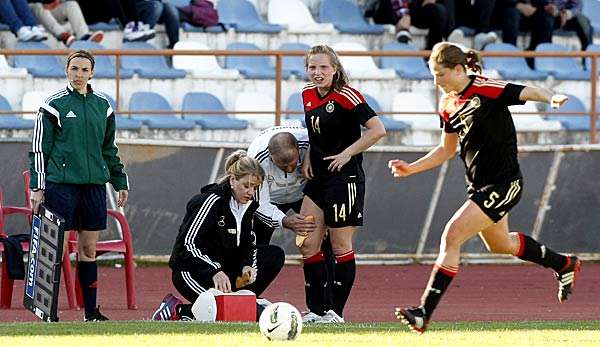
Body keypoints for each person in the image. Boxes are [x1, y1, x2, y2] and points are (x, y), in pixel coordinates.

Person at [390, 42, 581, 334]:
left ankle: (423, 312)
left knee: (452, 236)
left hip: (505, 183)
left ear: (458, 69)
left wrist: (552, 97)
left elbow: (529, 91)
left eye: (439, 75)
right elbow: (445, 150)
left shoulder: (485, 88)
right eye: (433, 75)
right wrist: (411, 168)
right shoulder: (448, 104)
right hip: (479, 186)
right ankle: (565, 264)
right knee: (500, 244)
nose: (436, 82)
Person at [29, 49, 129, 321]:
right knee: (55, 248)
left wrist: (120, 181)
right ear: (66, 70)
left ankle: (91, 312)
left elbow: (109, 149)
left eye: (85, 70)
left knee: (88, 249)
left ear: (92, 73)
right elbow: (39, 149)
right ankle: (46, 311)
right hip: (61, 186)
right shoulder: (53, 105)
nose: (79, 74)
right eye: (75, 69)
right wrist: (38, 187)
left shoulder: (103, 106)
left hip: (93, 187)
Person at [298, 45, 386, 323]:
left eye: (323, 67)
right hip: (318, 179)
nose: (318, 72)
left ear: (334, 69)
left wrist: (349, 152)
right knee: (306, 243)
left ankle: (335, 313)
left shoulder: (347, 95)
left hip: (344, 178)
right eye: (313, 67)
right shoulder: (307, 94)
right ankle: (315, 310)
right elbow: (315, 133)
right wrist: (309, 158)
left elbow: (378, 129)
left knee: (339, 246)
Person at [151, 150, 285, 322]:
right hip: (192, 271)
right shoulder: (210, 202)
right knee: (224, 312)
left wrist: (246, 266)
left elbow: (247, 245)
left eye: (255, 187)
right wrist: (213, 271)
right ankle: (175, 309)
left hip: (224, 271)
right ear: (232, 180)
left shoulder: (248, 207)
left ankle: (242, 301)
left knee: (273, 255)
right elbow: (186, 245)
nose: (251, 192)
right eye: (246, 186)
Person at [247, 126, 337, 323]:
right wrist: (284, 221)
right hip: (271, 198)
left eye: (293, 163)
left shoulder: (310, 141)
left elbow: (326, 135)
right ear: (270, 157)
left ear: (299, 149)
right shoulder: (256, 158)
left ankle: (326, 309)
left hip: (304, 194)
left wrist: (310, 155)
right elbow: (259, 203)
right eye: (282, 165)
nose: (289, 169)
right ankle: (248, 298)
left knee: (323, 243)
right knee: (256, 249)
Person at [365, 0, 451, 50]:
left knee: (438, 10)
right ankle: (403, 27)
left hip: (411, 11)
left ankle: (433, 55)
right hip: (386, 10)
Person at [28, 0, 103, 47]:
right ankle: (63, 36)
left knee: (71, 3)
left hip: (50, 12)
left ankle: (84, 36)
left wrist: (58, 1)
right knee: (38, 6)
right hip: (32, 14)